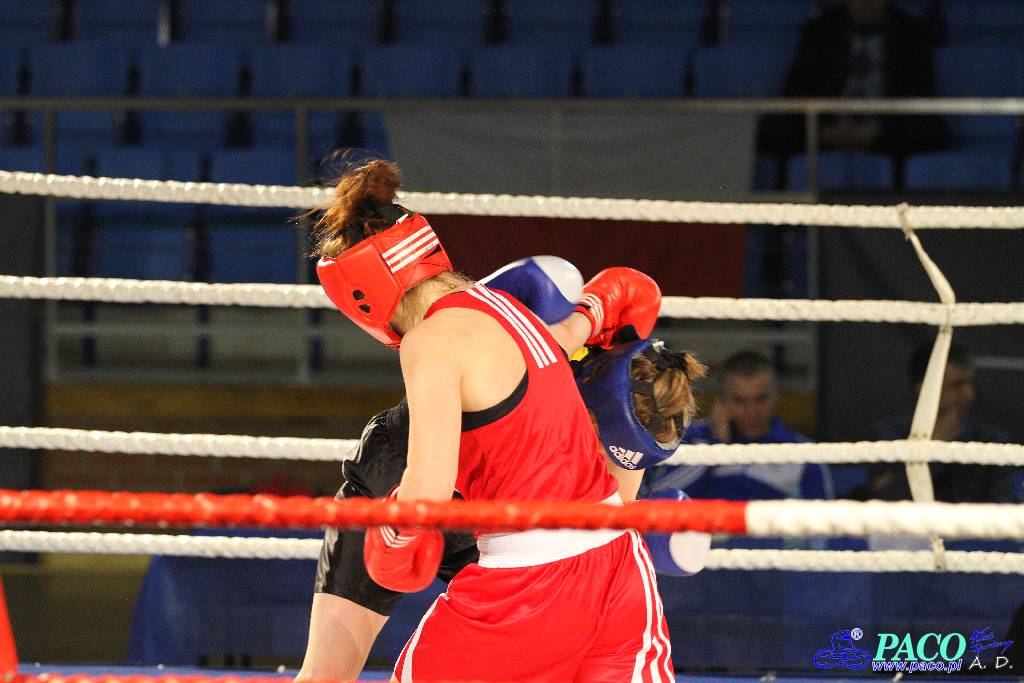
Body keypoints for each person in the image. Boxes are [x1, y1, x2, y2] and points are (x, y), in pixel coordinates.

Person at [310, 158, 690, 681]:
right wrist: (597, 309)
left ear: (361, 296)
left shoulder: (430, 341)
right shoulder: (508, 307)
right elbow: (574, 333)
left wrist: (393, 535)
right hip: (620, 569)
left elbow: (429, 491)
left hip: (525, 584)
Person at [757, 0, 948, 183]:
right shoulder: (820, 30)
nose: (866, 2)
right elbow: (796, 91)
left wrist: (879, 130)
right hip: (826, 126)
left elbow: (919, 94)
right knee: (772, 131)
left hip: (887, 128)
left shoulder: (910, 32)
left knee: (931, 132)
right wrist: (822, 130)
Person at [646, 351, 833, 501]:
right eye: (739, 400)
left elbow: (822, 526)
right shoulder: (690, 438)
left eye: (761, 398)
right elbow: (658, 497)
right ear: (722, 401)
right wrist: (715, 446)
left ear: (777, 395)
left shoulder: (804, 454)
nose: (751, 410)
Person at [861, 343, 1017, 503]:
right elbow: (882, 502)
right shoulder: (886, 436)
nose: (969, 394)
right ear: (924, 389)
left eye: (969, 383)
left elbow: (1003, 508)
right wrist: (933, 447)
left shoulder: (994, 442)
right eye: (956, 385)